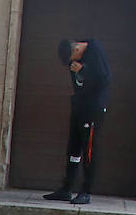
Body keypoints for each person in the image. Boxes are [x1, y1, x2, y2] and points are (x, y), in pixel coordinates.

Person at [42, 38, 112, 205]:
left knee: (88, 150)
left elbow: (104, 79)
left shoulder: (94, 51)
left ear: (77, 50)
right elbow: (78, 85)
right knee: (73, 149)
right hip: (79, 107)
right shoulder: (73, 62)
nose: (72, 63)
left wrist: (84, 70)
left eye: (72, 59)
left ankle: (85, 191)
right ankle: (66, 189)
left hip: (93, 110)